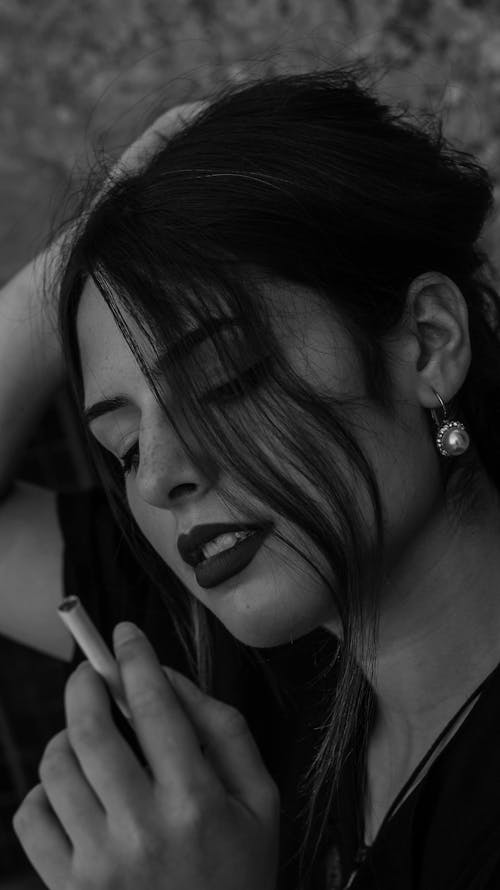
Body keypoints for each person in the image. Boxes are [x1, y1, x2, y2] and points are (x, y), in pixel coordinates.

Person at [2, 63, 500, 890]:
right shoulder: (245, 686)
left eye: (227, 380)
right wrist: (103, 230)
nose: (160, 477)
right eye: (125, 446)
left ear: (427, 340)